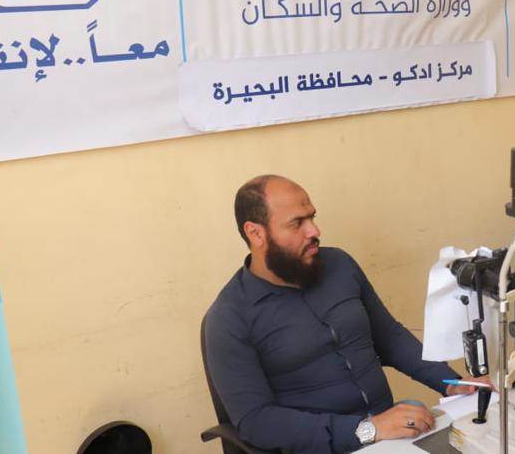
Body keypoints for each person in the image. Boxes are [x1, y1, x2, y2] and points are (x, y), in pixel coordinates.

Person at [203, 175, 486, 453]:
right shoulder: (229, 318)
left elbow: (389, 338)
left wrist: (452, 383)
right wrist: (368, 430)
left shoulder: (339, 265)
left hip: (390, 434)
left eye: (312, 217)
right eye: (297, 223)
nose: (314, 231)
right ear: (256, 233)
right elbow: (258, 422)